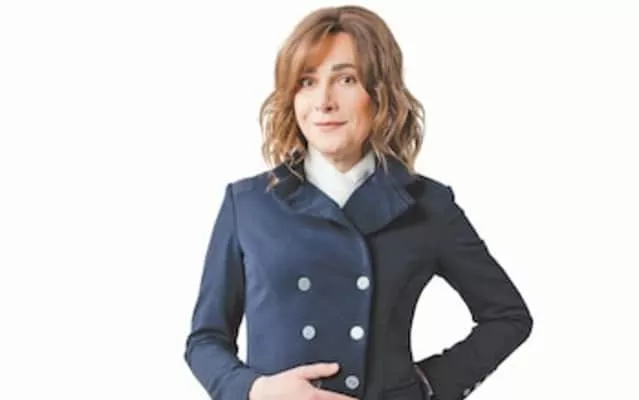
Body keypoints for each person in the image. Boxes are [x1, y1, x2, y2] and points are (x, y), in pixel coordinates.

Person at [183, 5, 533, 400]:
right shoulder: (247, 205)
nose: (323, 102)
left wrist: (423, 388)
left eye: (346, 80)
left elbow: (507, 316)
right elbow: (205, 340)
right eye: (307, 82)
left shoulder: (427, 205)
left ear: (381, 94)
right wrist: (256, 390)